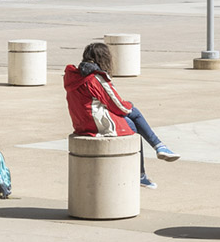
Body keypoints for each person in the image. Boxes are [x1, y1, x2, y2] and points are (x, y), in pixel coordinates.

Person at [63, 42, 179, 189]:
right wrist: (130, 108)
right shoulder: (95, 78)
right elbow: (117, 104)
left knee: (131, 116)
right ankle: (149, 162)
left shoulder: (74, 76)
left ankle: (157, 149)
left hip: (81, 122)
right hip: (96, 124)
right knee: (132, 120)